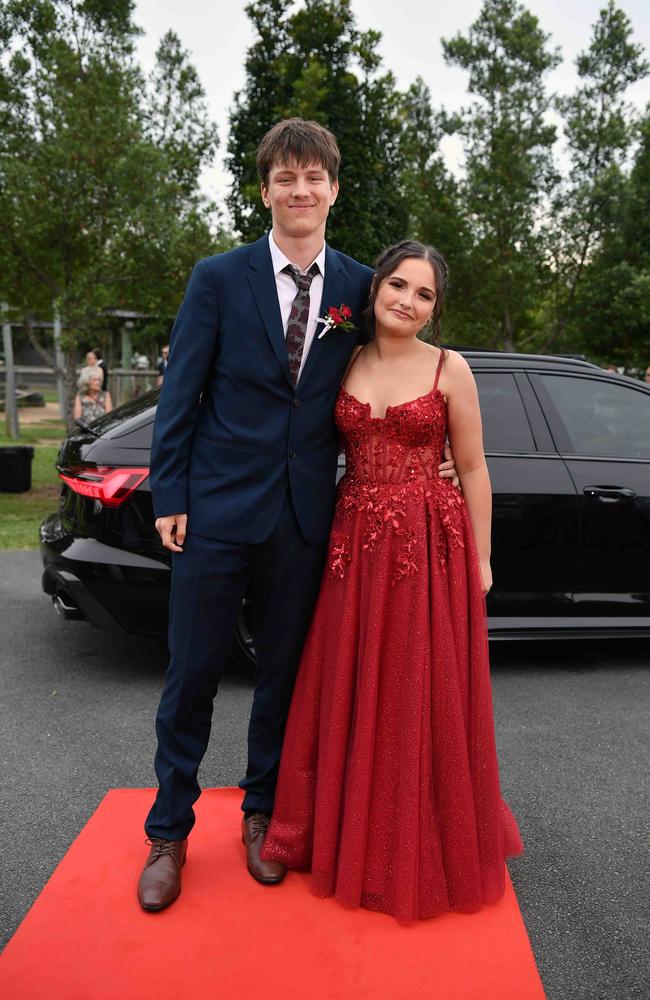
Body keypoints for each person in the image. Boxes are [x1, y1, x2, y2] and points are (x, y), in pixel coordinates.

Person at [136, 119, 458, 913]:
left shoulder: (358, 287)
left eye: (314, 177)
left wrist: (438, 448)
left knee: (283, 676)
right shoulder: (218, 277)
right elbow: (181, 399)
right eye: (285, 178)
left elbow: (403, 365)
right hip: (213, 512)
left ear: (334, 189)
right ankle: (169, 833)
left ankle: (262, 816)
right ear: (267, 189)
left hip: (308, 518)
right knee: (192, 675)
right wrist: (170, 496)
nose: (300, 190)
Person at [261, 240, 524, 924]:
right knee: (351, 682)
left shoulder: (449, 368)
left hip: (428, 546)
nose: (408, 301)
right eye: (399, 285)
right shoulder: (343, 359)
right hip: (353, 542)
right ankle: (342, 831)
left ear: (435, 309)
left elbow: (472, 469)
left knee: (417, 685)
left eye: (425, 294)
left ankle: (416, 841)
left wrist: (482, 558)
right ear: (375, 289)